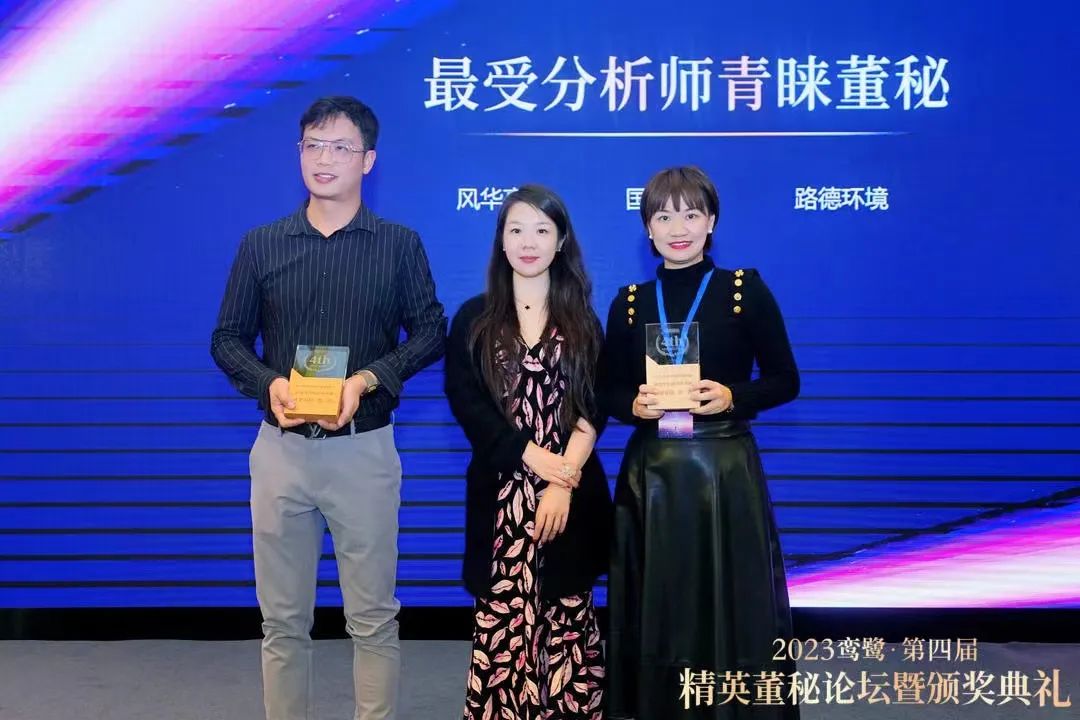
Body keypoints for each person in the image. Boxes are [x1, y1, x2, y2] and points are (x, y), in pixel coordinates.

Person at [210, 96, 446, 720]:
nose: (324, 158)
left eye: (341, 147)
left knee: (372, 618)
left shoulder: (398, 245)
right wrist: (268, 384)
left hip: (363, 452)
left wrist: (368, 379)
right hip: (281, 454)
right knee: (282, 622)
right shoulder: (262, 245)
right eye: (313, 145)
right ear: (299, 154)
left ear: (367, 160)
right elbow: (227, 339)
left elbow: (431, 332)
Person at [602, 166, 801, 719]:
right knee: (660, 607)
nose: (678, 228)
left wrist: (733, 395)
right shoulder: (630, 303)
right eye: (664, 216)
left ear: (711, 221)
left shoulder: (744, 291)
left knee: (731, 606)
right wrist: (632, 405)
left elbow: (786, 380)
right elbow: (604, 389)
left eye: (691, 214)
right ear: (648, 227)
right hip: (653, 474)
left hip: (724, 472)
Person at [445, 185, 612, 720]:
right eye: (516, 229)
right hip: (502, 496)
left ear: (561, 241)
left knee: (568, 617)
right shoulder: (473, 318)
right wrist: (531, 457)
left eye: (542, 230)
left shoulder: (583, 320)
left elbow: (593, 407)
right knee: (502, 623)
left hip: (568, 494)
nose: (528, 242)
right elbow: (469, 406)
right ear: (501, 240)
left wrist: (562, 481)